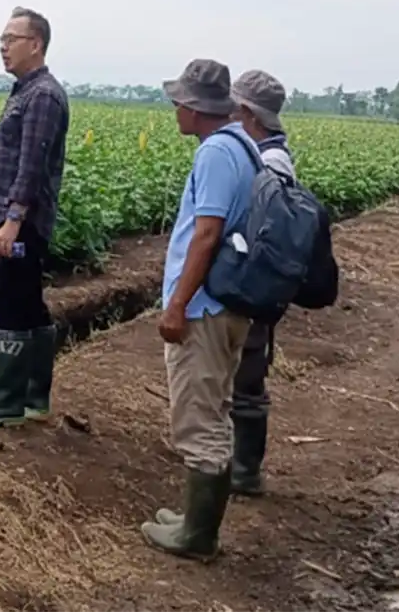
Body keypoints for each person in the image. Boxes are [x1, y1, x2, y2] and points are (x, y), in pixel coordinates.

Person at [141, 58, 259, 562]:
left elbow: (206, 234)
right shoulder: (246, 145)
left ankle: (198, 536)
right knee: (219, 407)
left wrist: (177, 305)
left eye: (178, 102)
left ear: (194, 107)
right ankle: (195, 518)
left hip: (206, 307)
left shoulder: (215, 152)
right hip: (232, 302)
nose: (174, 110)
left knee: (199, 417)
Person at [0, 7, 69, 429]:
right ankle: (32, 395)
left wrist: (12, 221)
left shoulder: (42, 96)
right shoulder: (28, 90)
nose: (3, 47)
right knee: (28, 303)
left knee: (9, 303)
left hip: (19, 222)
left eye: (11, 39)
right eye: (0, 40)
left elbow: (31, 164)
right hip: (15, 219)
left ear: (34, 44)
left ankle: (5, 400)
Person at [227, 69, 295, 496]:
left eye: (234, 108)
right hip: (258, 287)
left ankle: (244, 472)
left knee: (247, 378)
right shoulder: (268, 155)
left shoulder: (269, 164)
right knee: (243, 375)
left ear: (248, 114)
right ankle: (239, 466)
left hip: (255, 288)